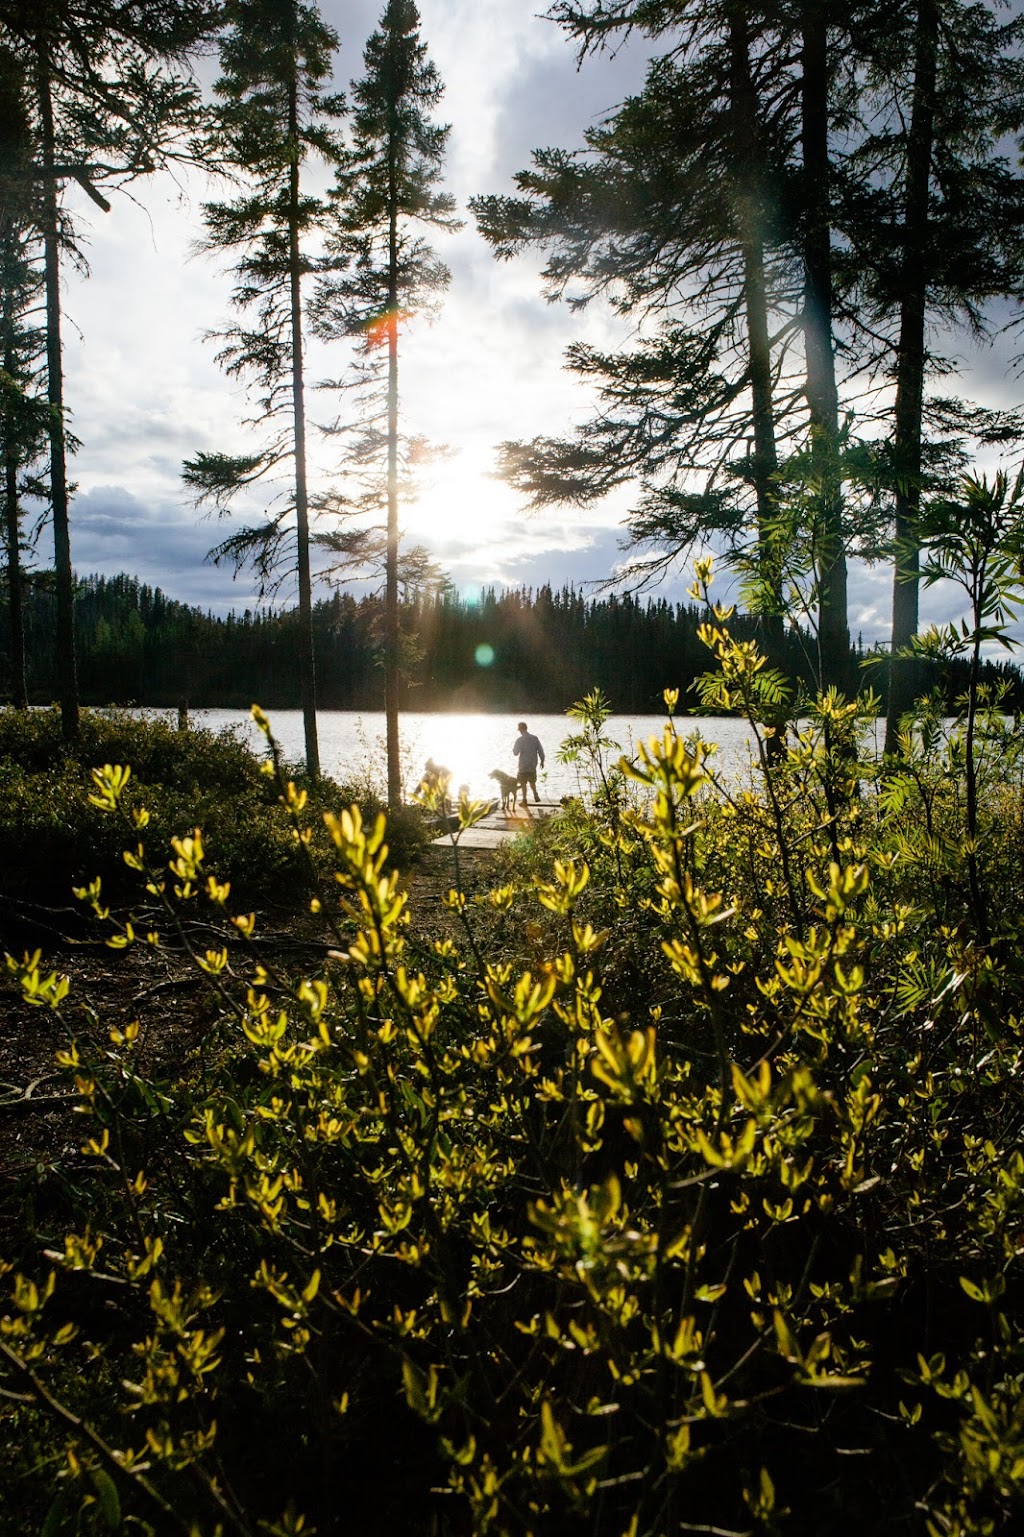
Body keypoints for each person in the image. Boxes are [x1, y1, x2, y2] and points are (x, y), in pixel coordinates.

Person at [512, 721, 545, 807]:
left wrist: (515, 749)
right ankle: (535, 794)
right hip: (532, 764)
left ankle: (524, 800)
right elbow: (540, 751)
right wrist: (542, 761)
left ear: (521, 729)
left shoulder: (519, 740)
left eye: (519, 730)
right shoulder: (535, 738)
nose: (519, 731)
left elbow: (515, 753)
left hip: (523, 765)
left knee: (523, 783)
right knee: (532, 781)